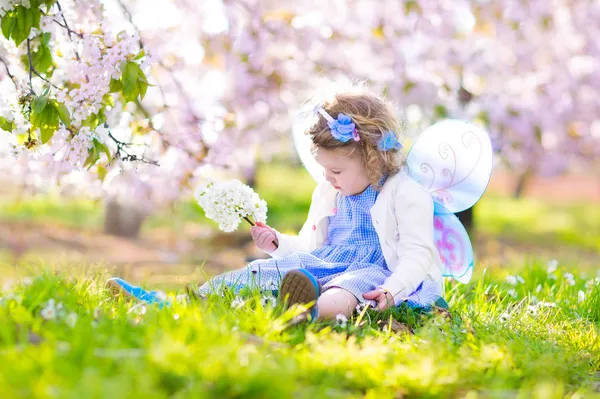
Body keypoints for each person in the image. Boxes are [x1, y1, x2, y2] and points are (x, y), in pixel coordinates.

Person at [107, 85, 447, 321]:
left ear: (372, 158)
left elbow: (418, 254)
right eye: (324, 169)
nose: (328, 177)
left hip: (376, 272)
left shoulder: (404, 192)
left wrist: (391, 289)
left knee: (346, 290)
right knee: (256, 273)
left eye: (337, 169)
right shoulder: (330, 193)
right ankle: (173, 303)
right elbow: (311, 249)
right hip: (323, 267)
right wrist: (278, 244)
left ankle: (309, 312)